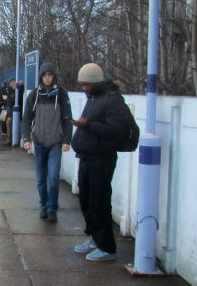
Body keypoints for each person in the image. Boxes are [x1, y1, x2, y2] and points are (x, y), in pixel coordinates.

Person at [71, 63, 126, 261]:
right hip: (88, 156)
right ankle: (94, 237)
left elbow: (116, 131)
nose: (84, 88)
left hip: (102, 159)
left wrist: (88, 125)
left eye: (87, 85)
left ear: (96, 82)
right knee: (87, 200)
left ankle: (107, 246)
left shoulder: (112, 101)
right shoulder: (94, 98)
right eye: (82, 85)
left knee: (99, 201)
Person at [21, 62, 73, 223]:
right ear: (41, 77)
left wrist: (67, 140)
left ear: (54, 76)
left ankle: (52, 207)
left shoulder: (62, 95)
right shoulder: (35, 95)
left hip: (56, 142)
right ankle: (43, 204)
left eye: (50, 75)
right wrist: (26, 138)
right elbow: (27, 118)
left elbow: (67, 119)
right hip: (39, 141)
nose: (48, 78)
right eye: (45, 75)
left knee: (53, 178)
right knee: (41, 179)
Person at [2, 78, 16, 146]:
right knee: (3, 119)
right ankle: (4, 131)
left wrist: (7, 98)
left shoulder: (15, 91)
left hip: (12, 110)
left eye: (11, 83)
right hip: (7, 109)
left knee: (8, 122)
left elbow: (12, 101)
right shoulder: (11, 91)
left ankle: (9, 138)